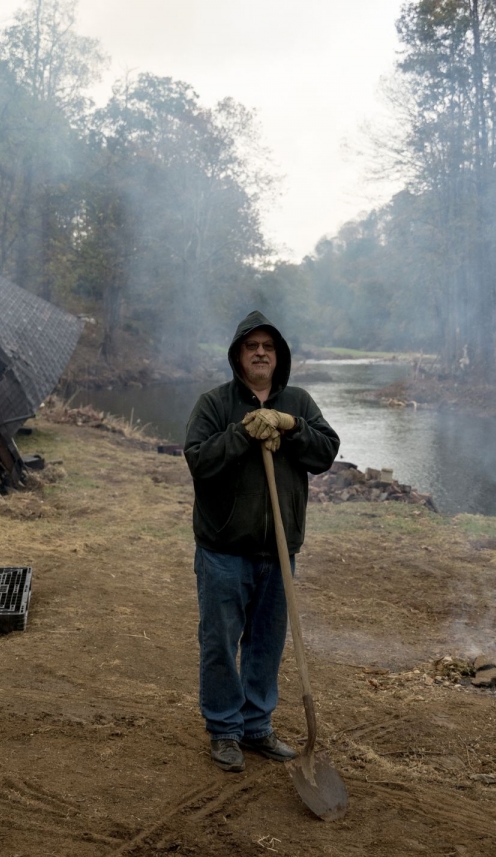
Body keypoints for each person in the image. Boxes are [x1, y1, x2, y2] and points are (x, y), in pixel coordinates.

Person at [183, 310, 340, 773]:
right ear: (238, 356)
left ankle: (256, 726)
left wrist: (291, 428)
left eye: (268, 347)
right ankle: (225, 729)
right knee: (220, 642)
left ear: (279, 356)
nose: (260, 353)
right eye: (251, 346)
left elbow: (326, 452)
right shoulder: (213, 404)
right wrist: (242, 432)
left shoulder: (299, 401)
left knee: (266, 644)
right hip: (223, 550)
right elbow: (198, 461)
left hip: (279, 552)